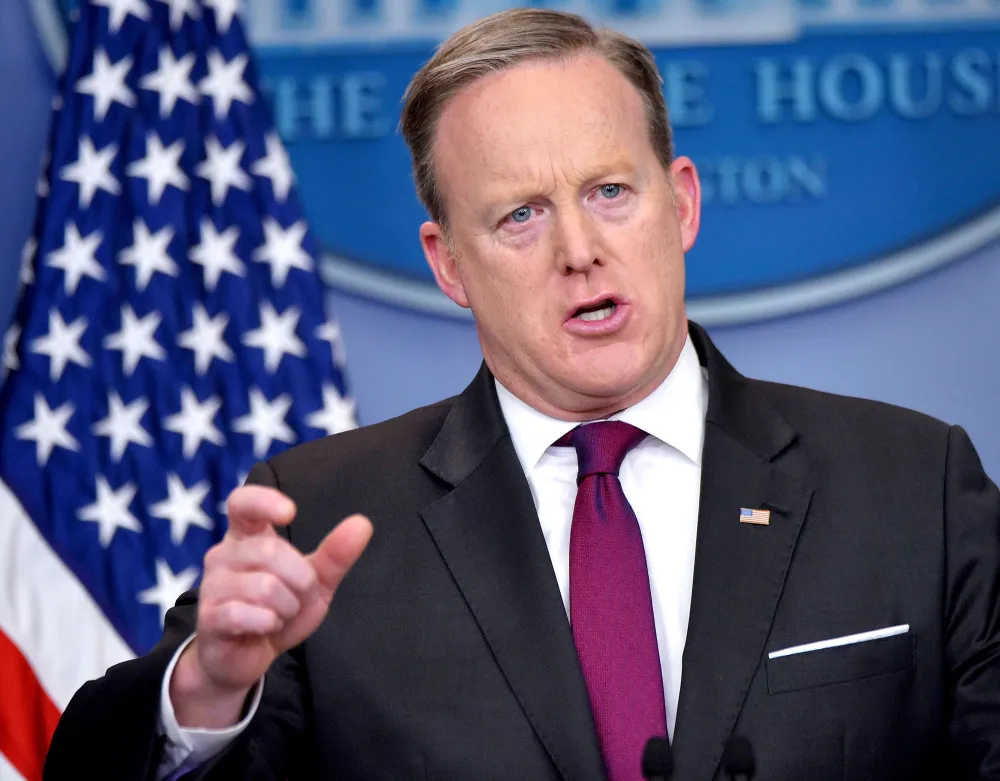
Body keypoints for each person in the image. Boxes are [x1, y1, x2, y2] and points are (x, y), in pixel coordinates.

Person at [44, 8, 1000, 781]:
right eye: (521, 215)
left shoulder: (914, 488)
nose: (580, 250)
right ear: (449, 264)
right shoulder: (323, 519)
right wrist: (208, 691)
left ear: (682, 204)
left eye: (611, 192)